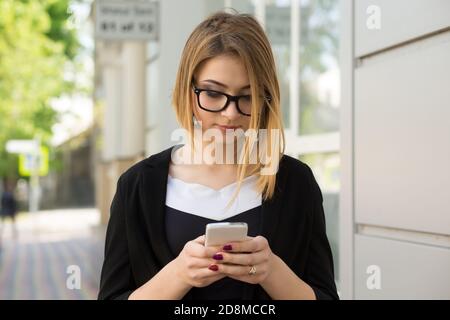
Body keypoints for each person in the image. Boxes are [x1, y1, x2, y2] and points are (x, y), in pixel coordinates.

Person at [98, 11, 338, 300]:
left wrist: (272, 271)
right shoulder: (137, 185)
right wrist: (178, 274)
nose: (230, 113)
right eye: (213, 94)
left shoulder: (296, 182)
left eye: (247, 97)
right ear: (189, 93)